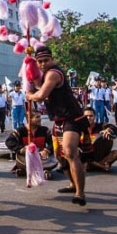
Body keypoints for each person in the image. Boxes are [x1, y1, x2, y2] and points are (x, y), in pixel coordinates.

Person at [26, 46, 90, 206]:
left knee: (70, 152)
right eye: (39, 61)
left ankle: (80, 193)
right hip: (59, 120)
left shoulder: (54, 73)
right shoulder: (43, 74)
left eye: (46, 60)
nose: (43, 64)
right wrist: (28, 66)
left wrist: (29, 95)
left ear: (52, 59)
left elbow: (41, 95)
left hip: (72, 118)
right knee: (59, 154)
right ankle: (72, 183)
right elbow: (36, 83)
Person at [4, 109, 55, 179]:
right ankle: (41, 172)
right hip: (25, 158)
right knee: (27, 163)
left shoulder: (44, 130)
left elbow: (53, 142)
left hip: (41, 158)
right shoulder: (20, 131)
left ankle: (28, 171)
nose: (40, 119)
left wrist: (47, 150)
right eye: (37, 117)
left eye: (40, 117)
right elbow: (9, 141)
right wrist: (21, 149)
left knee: (49, 162)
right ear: (29, 119)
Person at [82, 107, 117, 172]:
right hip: (85, 156)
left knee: (116, 153)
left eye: (91, 116)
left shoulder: (101, 126)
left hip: (99, 156)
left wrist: (109, 130)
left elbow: (115, 129)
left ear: (94, 117)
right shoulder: (79, 128)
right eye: (86, 116)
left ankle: (96, 165)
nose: (88, 118)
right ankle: (101, 166)